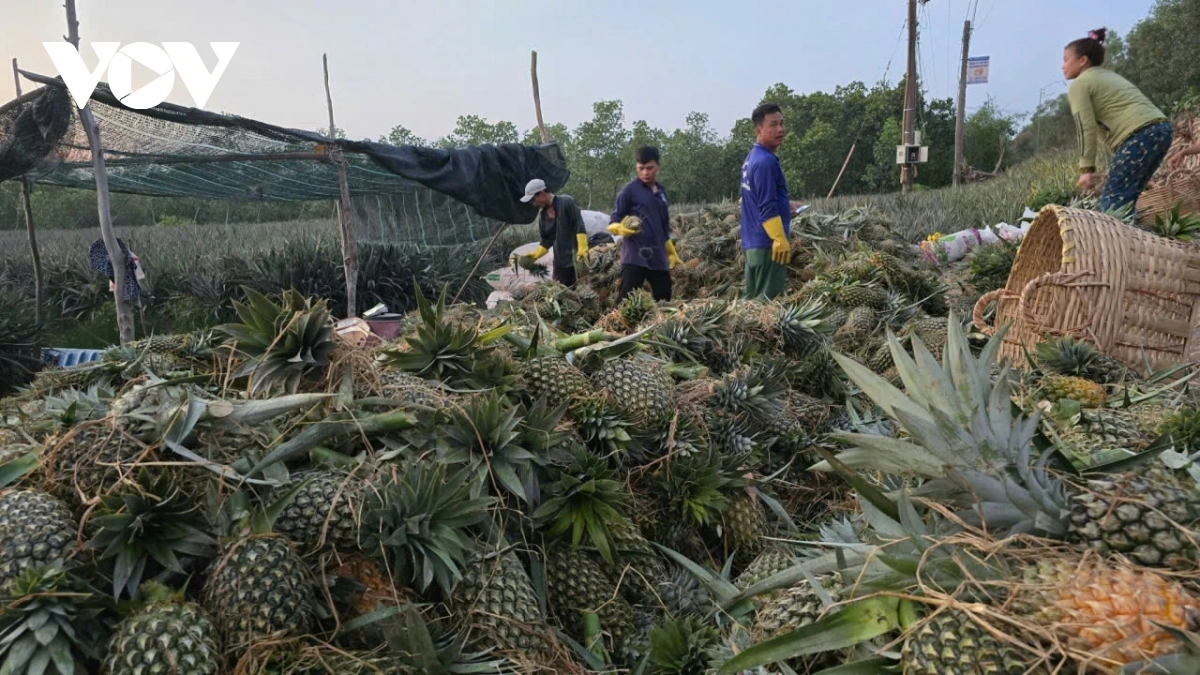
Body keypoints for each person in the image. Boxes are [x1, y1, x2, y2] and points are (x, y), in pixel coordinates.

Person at [1064, 28, 1172, 212]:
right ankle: (1133, 237)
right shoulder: (1109, 76)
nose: (1062, 66)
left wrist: (1086, 169)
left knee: (1113, 204)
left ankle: (1122, 240)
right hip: (1161, 129)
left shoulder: (1079, 85)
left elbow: (1085, 127)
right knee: (1126, 198)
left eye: (1066, 60)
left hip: (1138, 136)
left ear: (1082, 60)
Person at [607, 146, 681, 302]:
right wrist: (619, 229)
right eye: (641, 168)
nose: (645, 173)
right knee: (626, 300)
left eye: (649, 168)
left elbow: (662, 227)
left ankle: (657, 325)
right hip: (635, 256)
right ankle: (619, 326)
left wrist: (671, 251)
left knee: (664, 298)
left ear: (658, 166)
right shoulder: (629, 191)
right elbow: (613, 220)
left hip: (658, 258)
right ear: (636, 167)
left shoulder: (661, 192)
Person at [739, 103, 792, 300]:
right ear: (759, 130)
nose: (780, 129)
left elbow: (754, 198)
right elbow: (767, 206)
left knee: (751, 304)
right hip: (767, 246)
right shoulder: (765, 162)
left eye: (781, 123)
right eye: (773, 125)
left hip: (753, 244)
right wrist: (779, 238)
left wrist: (787, 205)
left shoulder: (752, 158)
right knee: (766, 306)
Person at [516, 178, 589, 288]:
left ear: (542, 193)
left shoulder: (566, 202)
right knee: (559, 293)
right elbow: (547, 240)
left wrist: (582, 247)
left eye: (533, 200)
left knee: (581, 291)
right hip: (560, 263)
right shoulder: (543, 217)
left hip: (578, 260)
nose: (534, 204)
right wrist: (536, 254)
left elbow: (578, 224)